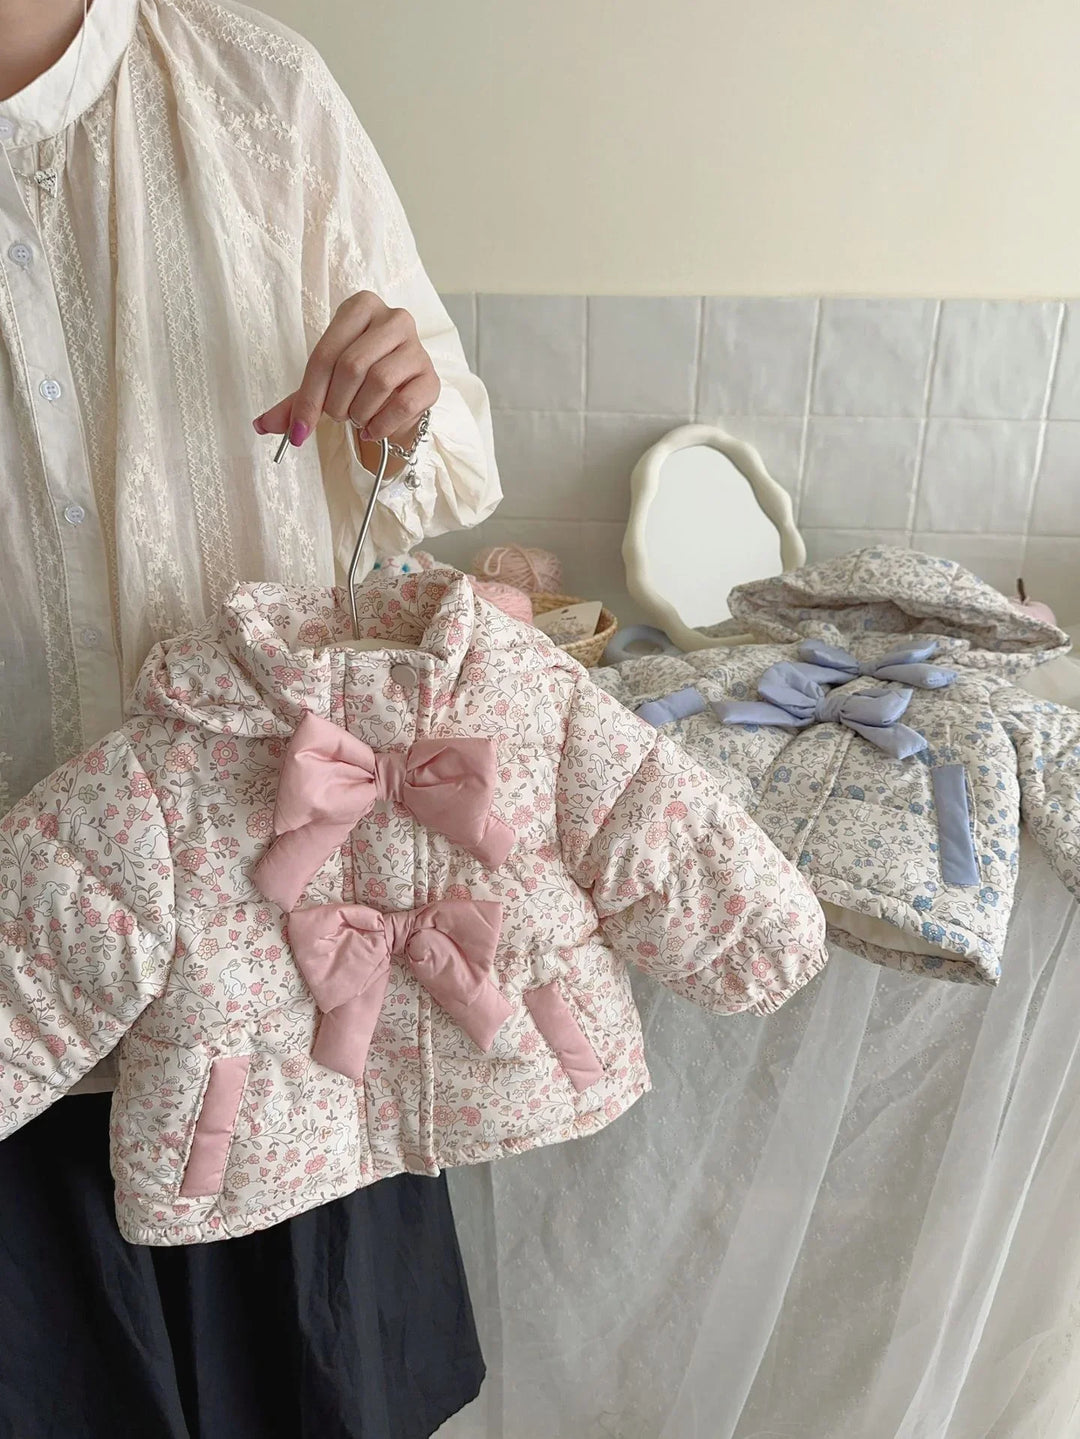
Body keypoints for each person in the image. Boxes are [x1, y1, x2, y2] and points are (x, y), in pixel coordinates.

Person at [0, 0, 500, 1434]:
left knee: (316, 1397)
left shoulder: (256, 93)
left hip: (277, 979)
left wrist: (405, 410)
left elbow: (449, 450)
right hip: (16, 991)